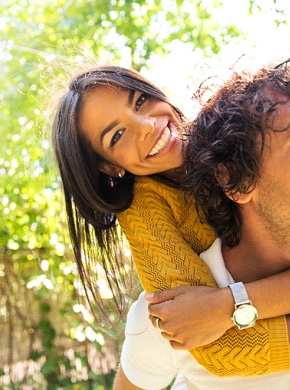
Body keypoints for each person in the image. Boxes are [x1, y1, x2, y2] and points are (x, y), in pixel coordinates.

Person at [51, 64, 290, 380]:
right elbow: (221, 345)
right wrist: (224, 308)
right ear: (111, 168)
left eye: (139, 101)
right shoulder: (145, 209)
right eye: (118, 135)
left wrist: (227, 305)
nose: (147, 125)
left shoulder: (234, 119)